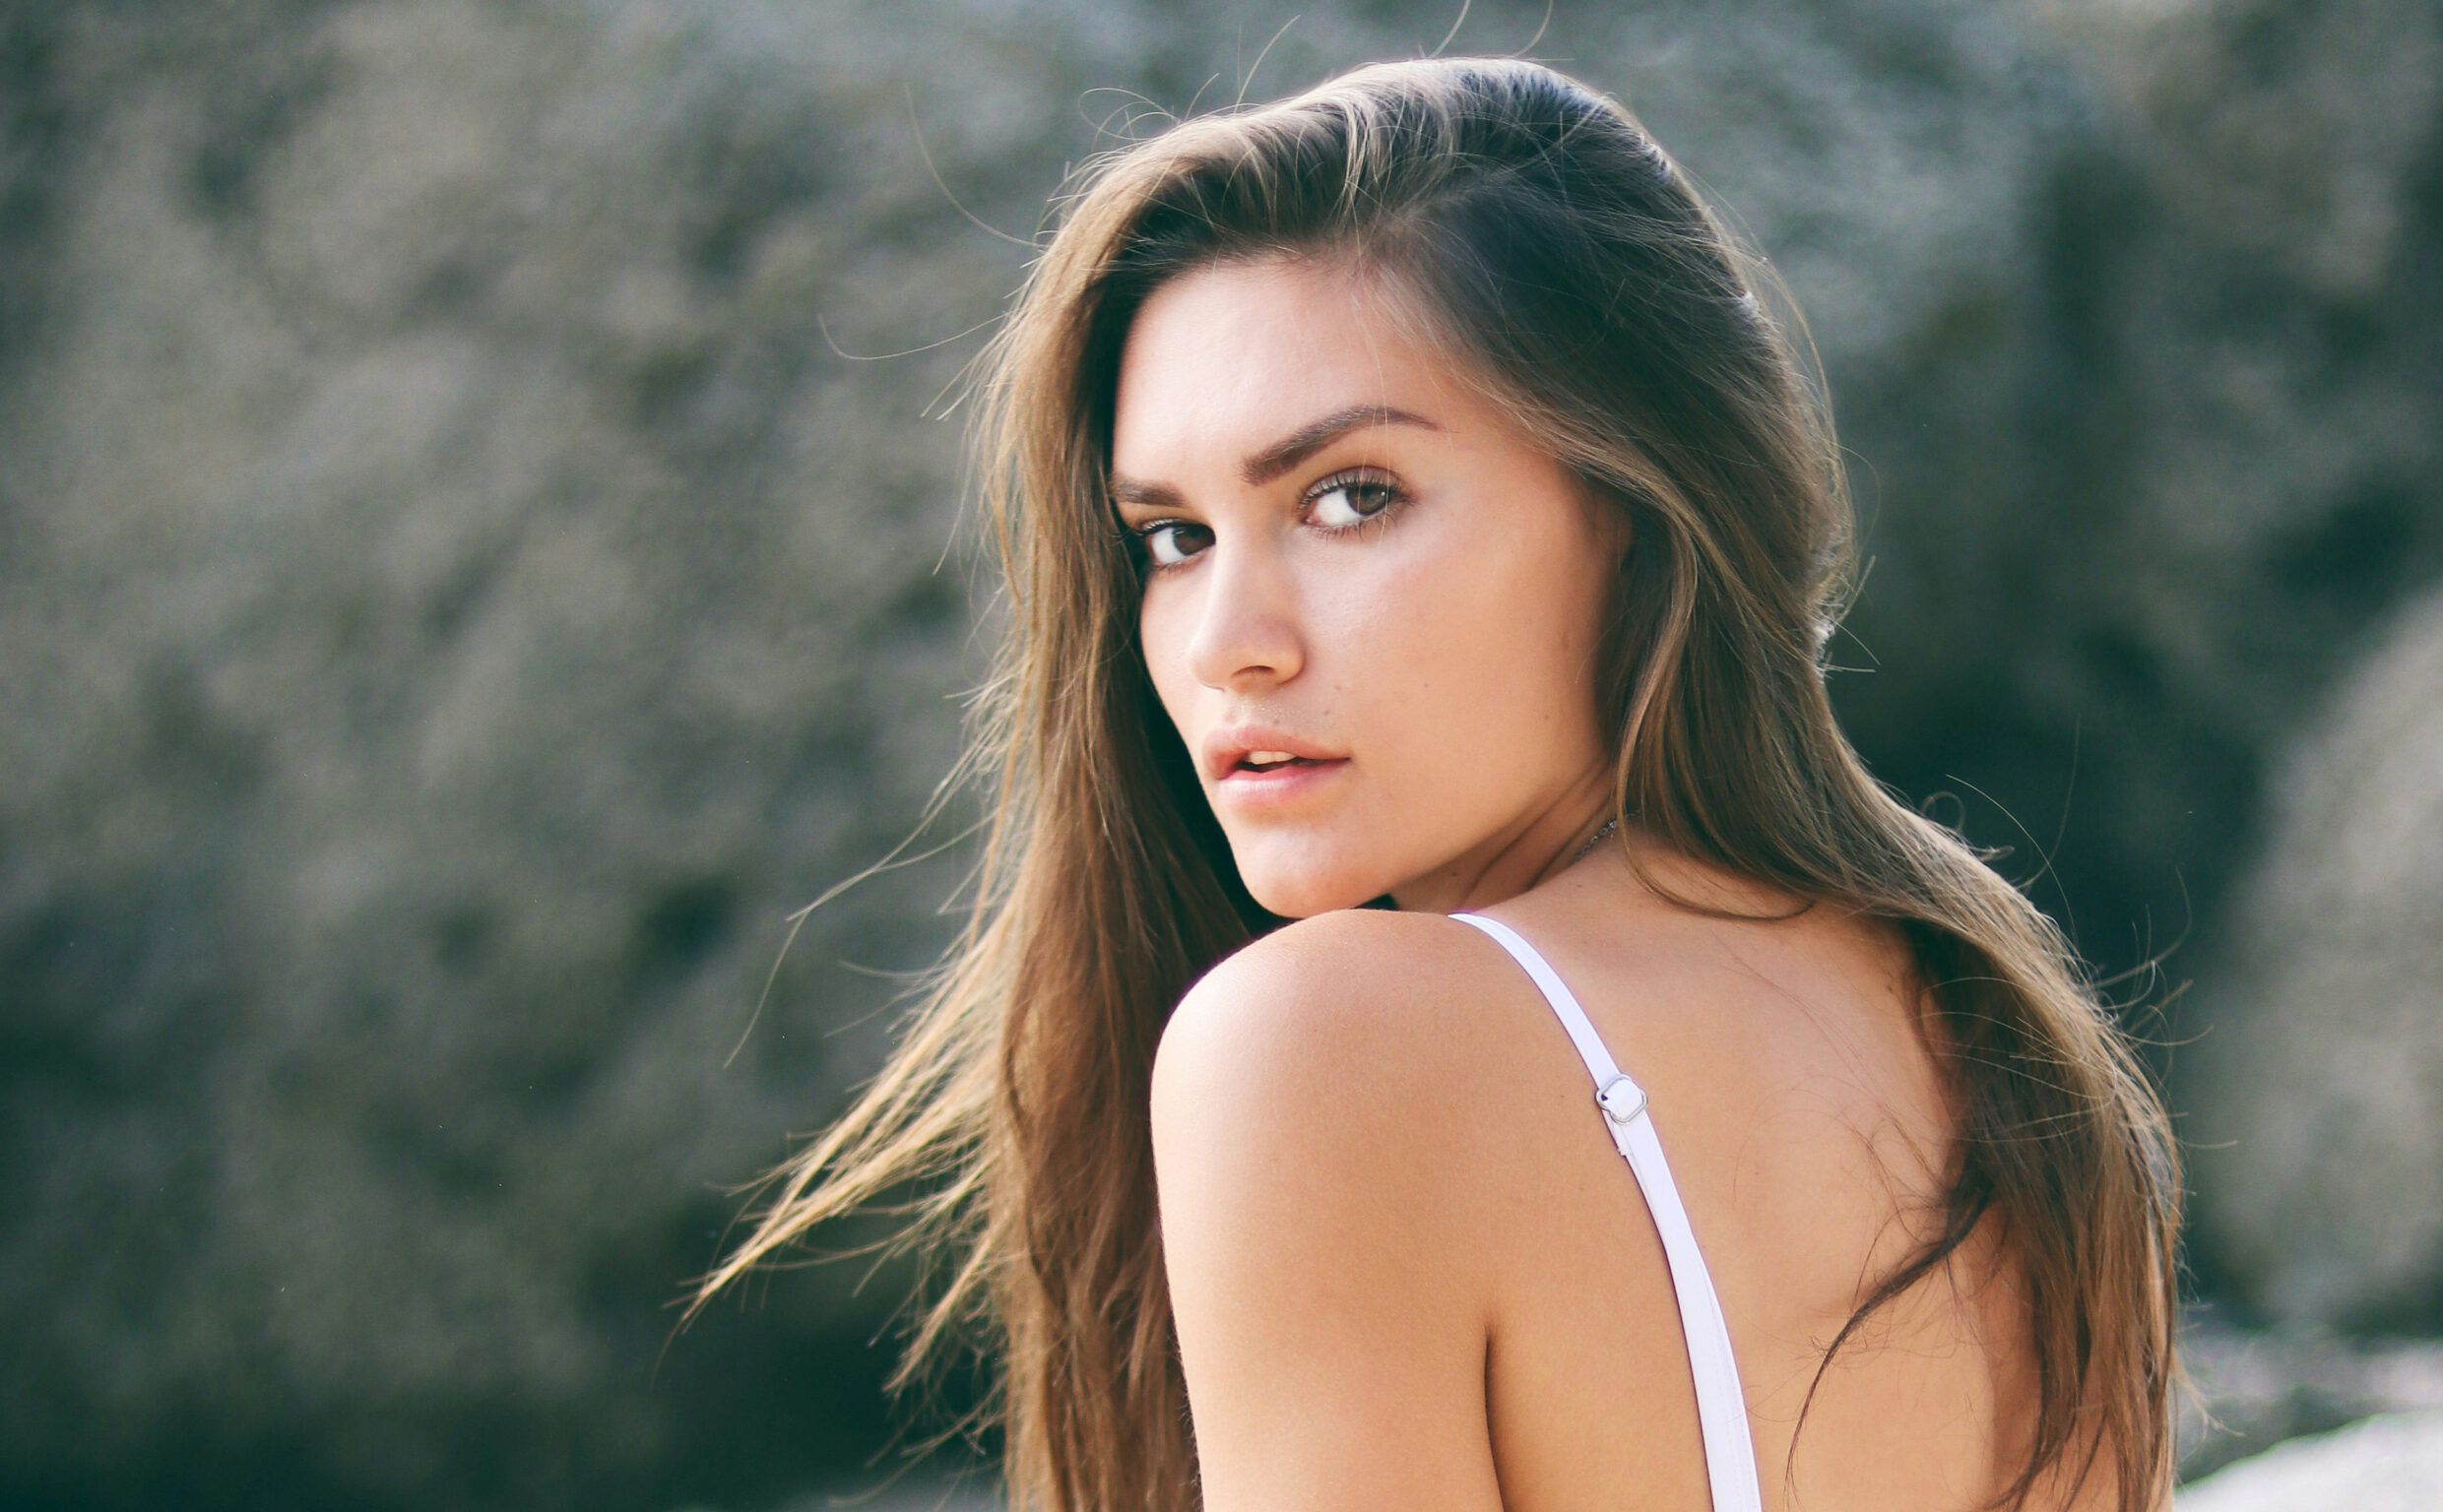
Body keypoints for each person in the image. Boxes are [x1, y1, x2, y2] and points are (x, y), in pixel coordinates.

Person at [681, 54, 2187, 1512]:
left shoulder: (1325, 1045)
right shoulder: (1991, 1021)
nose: (1229, 646)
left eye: (1350, 499)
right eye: (1170, 538)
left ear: (1636, 509)